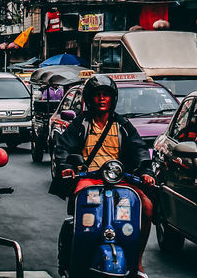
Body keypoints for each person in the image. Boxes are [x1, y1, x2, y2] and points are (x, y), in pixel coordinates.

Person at [53, 75, 155, 273]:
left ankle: (138, 260)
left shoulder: (122, 125)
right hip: (89, 179)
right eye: (97, 95)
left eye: (106, 95)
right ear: (90, 99)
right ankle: (77, 259)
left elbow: (139, 149)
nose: (102, 99)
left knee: (148, 207)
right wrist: (66, 166)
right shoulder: (80, 124)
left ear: (112, 99)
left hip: (120, 179)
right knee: (81, 205)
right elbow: (63, 148)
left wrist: (146, 171)